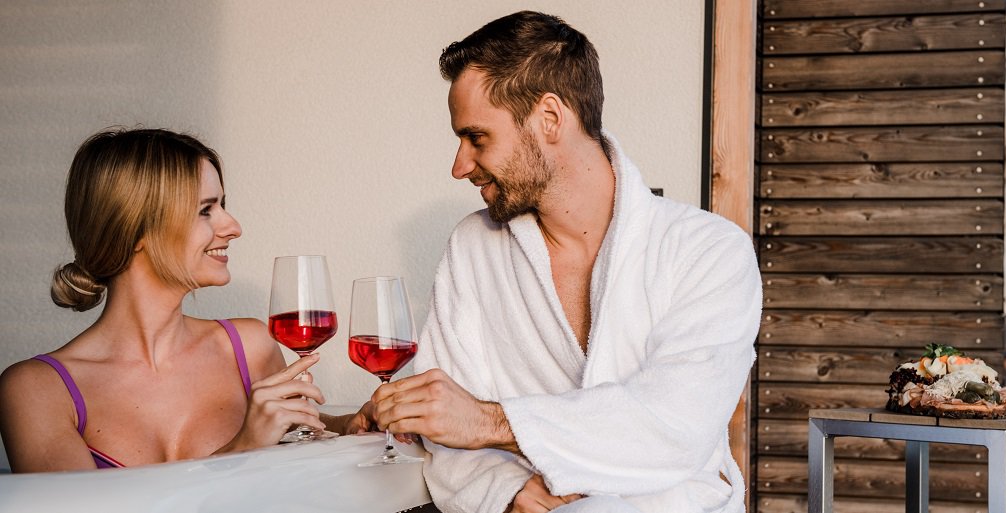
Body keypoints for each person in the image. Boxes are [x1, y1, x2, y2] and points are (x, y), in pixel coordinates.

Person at [370, 11, 761, 513]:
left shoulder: (709, 251)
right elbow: (443, 426)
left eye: (477, 138)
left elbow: (674, 426)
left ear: (550, 118)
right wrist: (505, 490)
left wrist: (490, 422)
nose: (459, 166)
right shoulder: (474, 246)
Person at [0, 128, 369, 473]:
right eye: (205, 210)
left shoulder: (248, 346)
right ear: (136, 229)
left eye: (222, 204)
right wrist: (242, 448)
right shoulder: (37, 390)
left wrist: (353, 424)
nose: (234, 227)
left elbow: (299, 435)